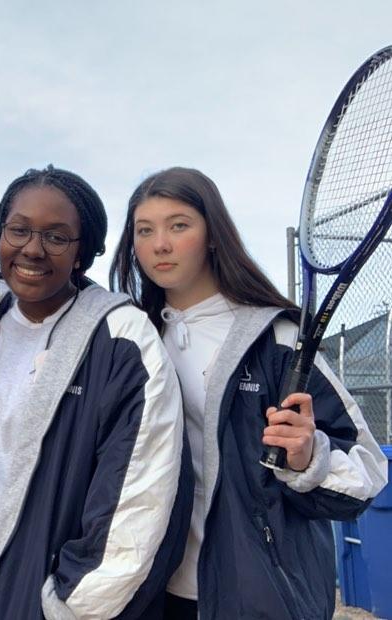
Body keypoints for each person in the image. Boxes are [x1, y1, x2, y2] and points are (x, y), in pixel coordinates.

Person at [0, 165, 193, 619]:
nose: (32, 250)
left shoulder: (120, 341)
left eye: (56, 237)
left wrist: (68, 607)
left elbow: (139, 497)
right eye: (18, 230)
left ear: (83, 253)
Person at [109, 166, 388, 619]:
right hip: (149, 592)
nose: (160, 243)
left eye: (178, 225)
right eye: (145, 230)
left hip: (257, 595)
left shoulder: (275, 339)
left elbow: (368, 472)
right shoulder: (128, 340)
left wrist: (307, 457)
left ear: (213, 235)